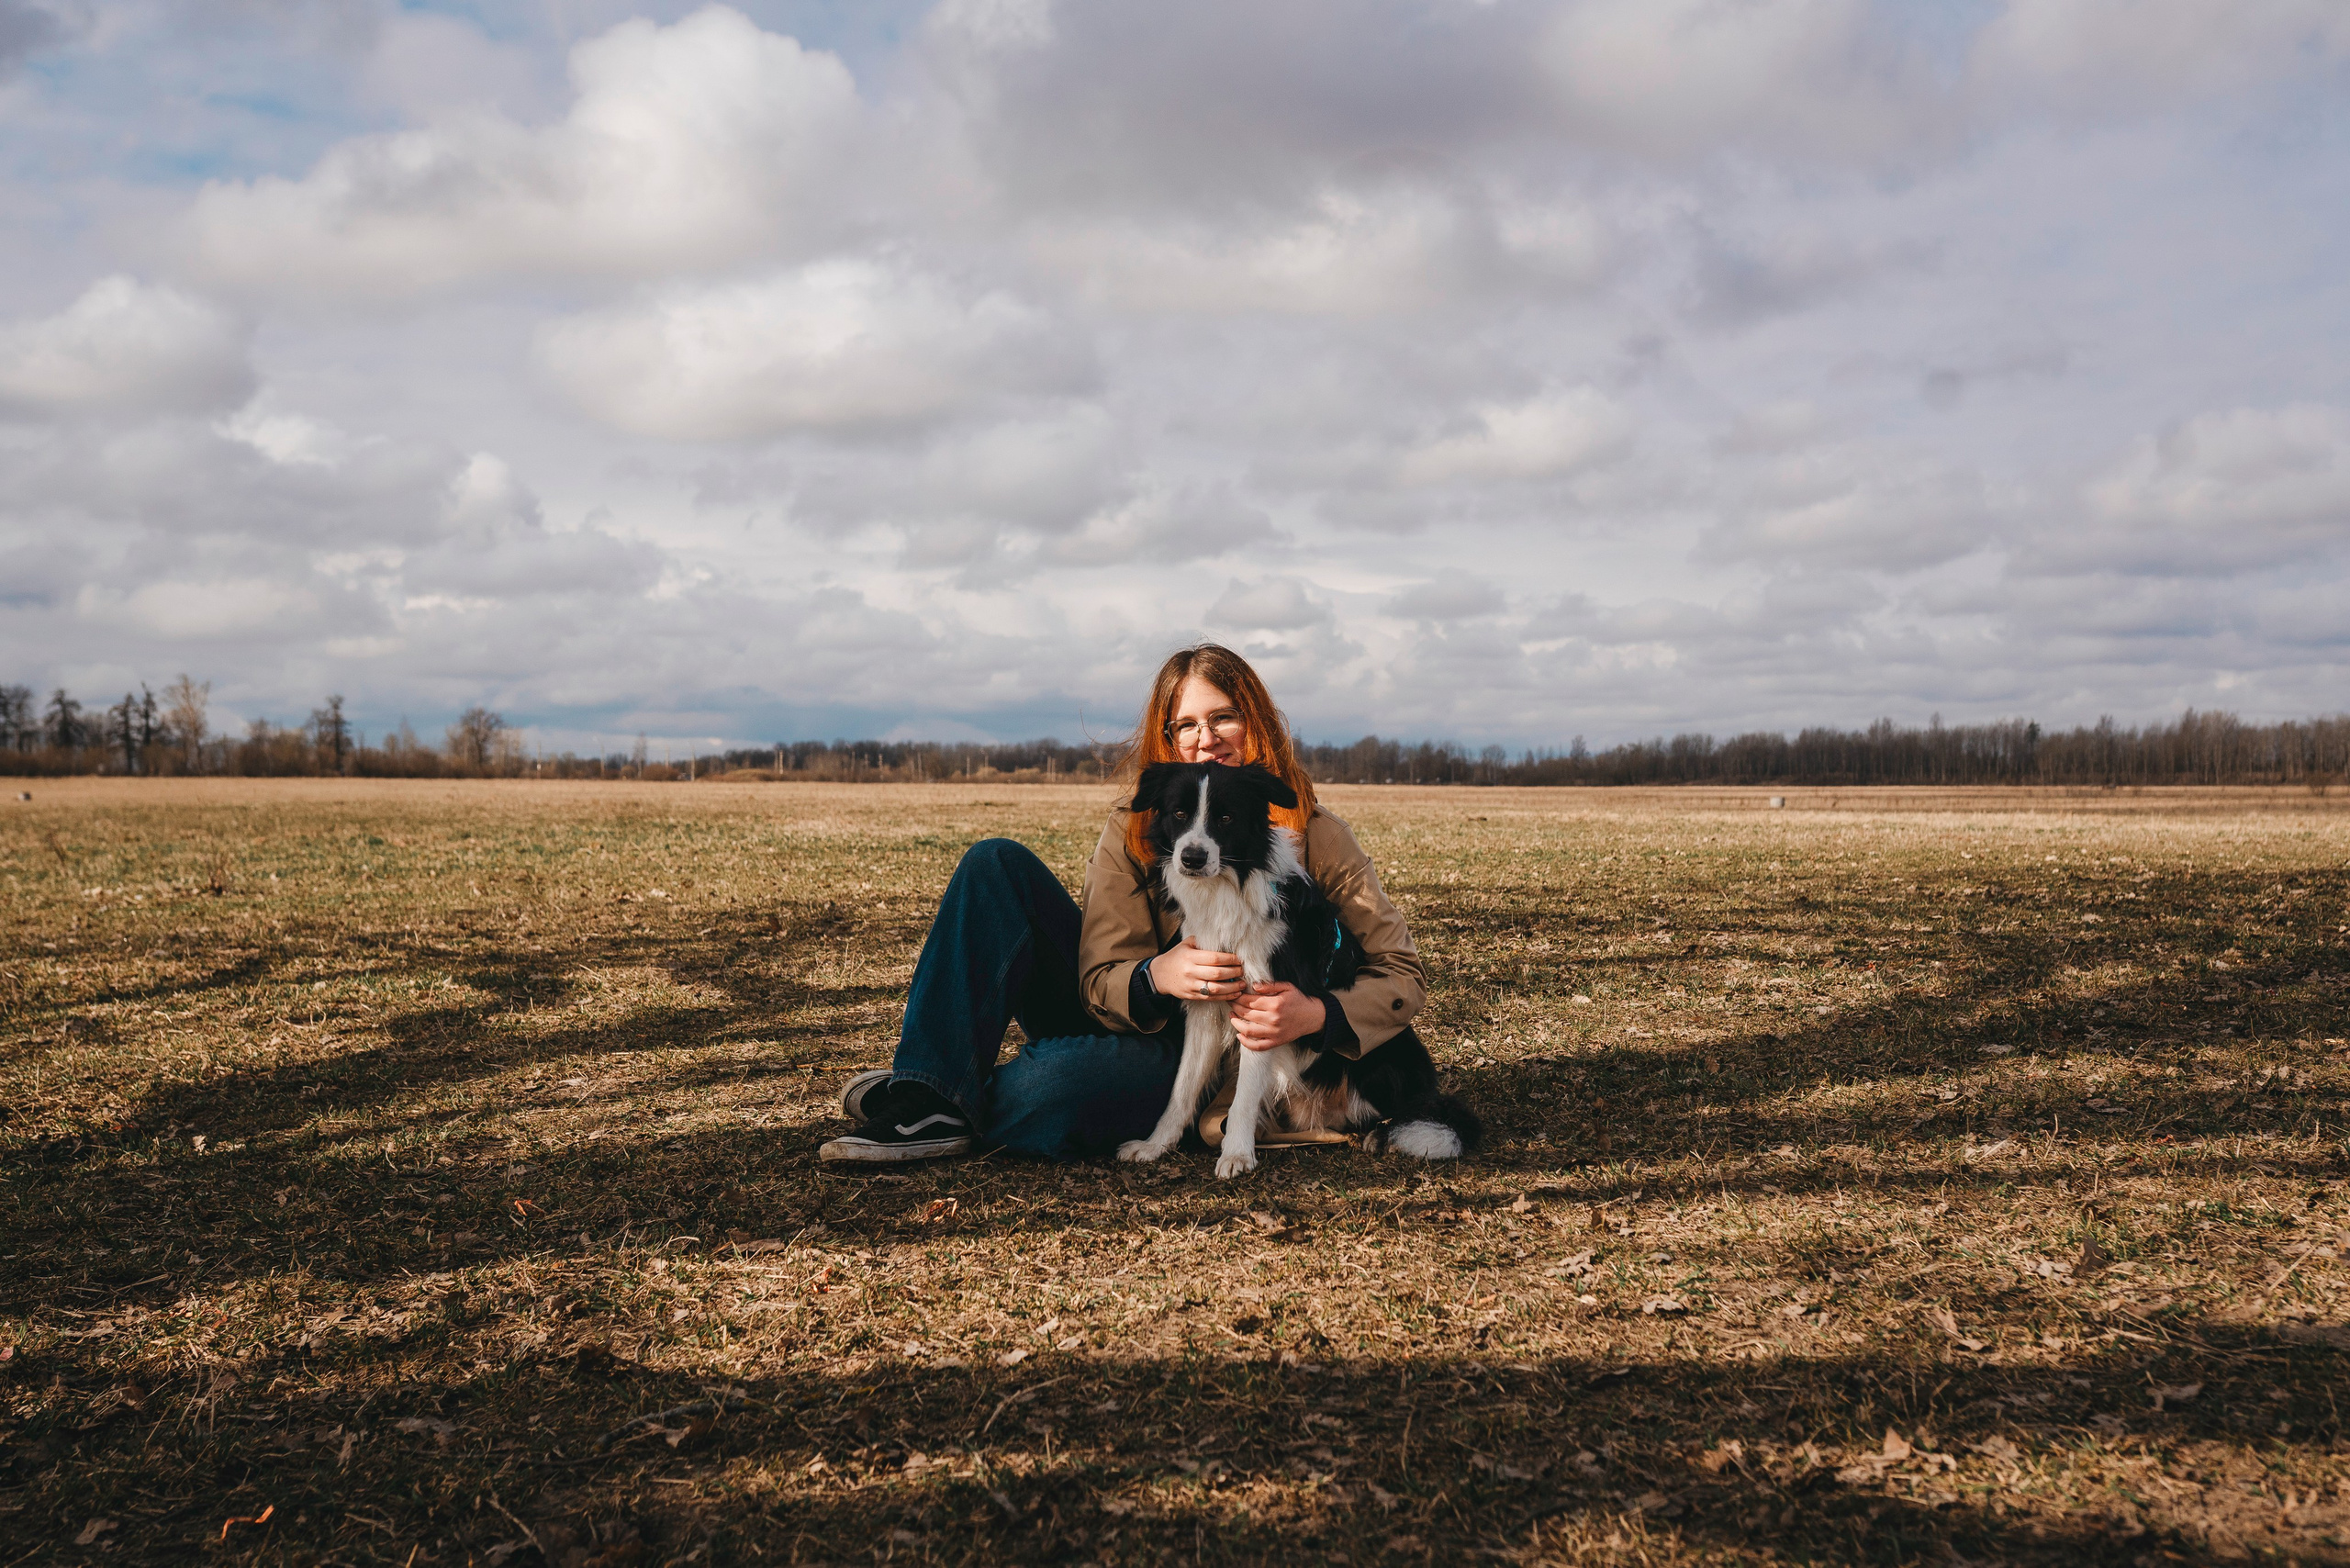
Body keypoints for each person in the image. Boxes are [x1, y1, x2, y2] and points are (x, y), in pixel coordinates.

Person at [820, 644, 1426, 1163]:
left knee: (1045, 1091)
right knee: (994, 864)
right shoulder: (1133, 827)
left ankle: (937, 1094)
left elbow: (1401, 973)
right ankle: (927, 1096)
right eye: (1185, 725)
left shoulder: (1317, 833)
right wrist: (1156, 975)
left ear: (1256, 723)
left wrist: (1316, 1014)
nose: (1205, 739)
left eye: (1224, 717)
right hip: (1131, 1015)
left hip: (1207, 1057)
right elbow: (1097, 976)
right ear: (1167, 738)